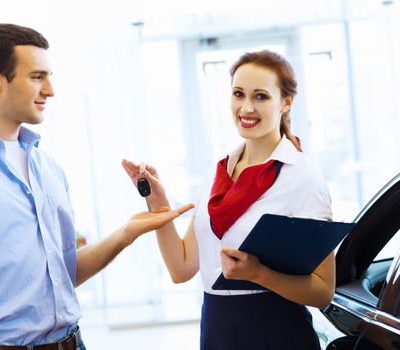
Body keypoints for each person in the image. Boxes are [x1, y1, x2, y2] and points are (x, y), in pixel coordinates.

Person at [0, 23, 193, 350]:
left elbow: (63, 274)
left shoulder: (48, 169)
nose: (51, 90)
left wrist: (126, 233)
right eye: (37, 77)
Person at [122, 50, 333, 349]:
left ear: (286, 102)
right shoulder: (217, 172)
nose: (246, 107)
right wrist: (158, 205)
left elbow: (323, 291)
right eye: (238, 94)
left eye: (261, 96)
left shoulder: (302, 178)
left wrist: (259, 274)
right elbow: (181, 268)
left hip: (276, 329)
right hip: (217, 328)